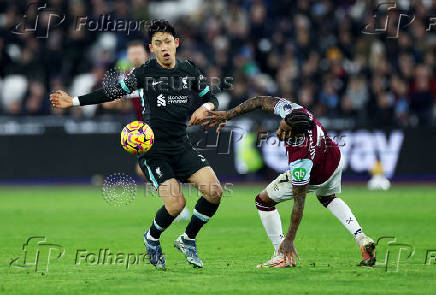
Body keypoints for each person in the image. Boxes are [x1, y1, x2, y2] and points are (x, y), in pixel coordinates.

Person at [50, 20, 222, 269]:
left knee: (215, 192)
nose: (164, 47)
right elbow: (111, 93)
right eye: (158, 43)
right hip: (154, 151)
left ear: (176, 43)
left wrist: (206, 107)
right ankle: (152, 238)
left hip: (181, 146)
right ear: (151, 48)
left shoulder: (189, 70)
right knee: (176, 204)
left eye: (167, 42)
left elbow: (210, 97)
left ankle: (188, 238)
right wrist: (74, 101)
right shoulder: (143, 73)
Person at [202, 96, 376, 268]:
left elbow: (299, 203)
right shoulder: (294, 112)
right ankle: (361, 238)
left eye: (286, 132)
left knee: (263, 202)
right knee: (328, 198)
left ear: (298, 134)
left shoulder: (301, 158)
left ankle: (280, 254)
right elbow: (260, 101)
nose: (279, 133)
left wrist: (289, 239)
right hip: (333, 160)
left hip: (316, 172)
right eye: (281, 127)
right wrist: (229, 114)